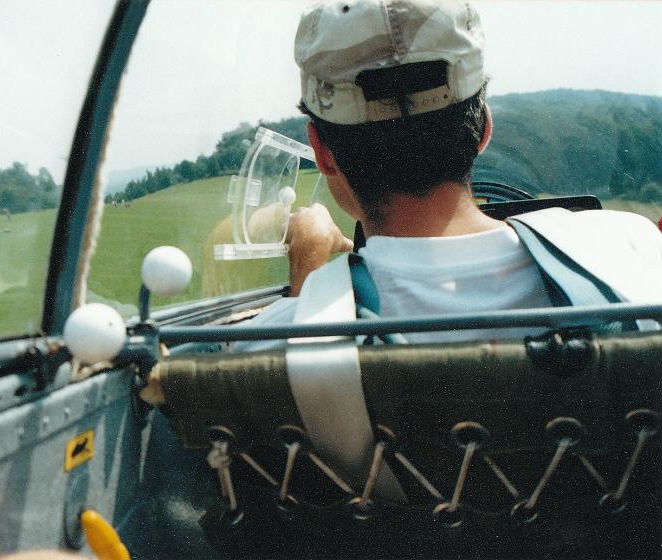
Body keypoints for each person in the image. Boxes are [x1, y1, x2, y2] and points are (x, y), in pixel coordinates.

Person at [236, 0, 662, 350]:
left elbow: (290, 377)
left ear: (323, 153)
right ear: (483, 129)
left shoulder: (271, 344)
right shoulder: (631, 251)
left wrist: (308, 272)